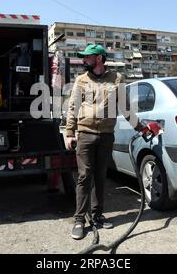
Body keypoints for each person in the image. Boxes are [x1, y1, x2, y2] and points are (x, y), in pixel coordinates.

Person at [65, 44, 154, 240]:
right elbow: (73, 107)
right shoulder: (81, 80)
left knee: (100, 176)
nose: (84, 60)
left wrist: (141, 127)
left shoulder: (116, 79)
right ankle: (79, 219)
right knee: (84, 176)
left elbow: (124, 107)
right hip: (85, 134)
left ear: (99, 58)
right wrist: (70, 132)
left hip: (106, 135)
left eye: (87, 57)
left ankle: (97, 216)